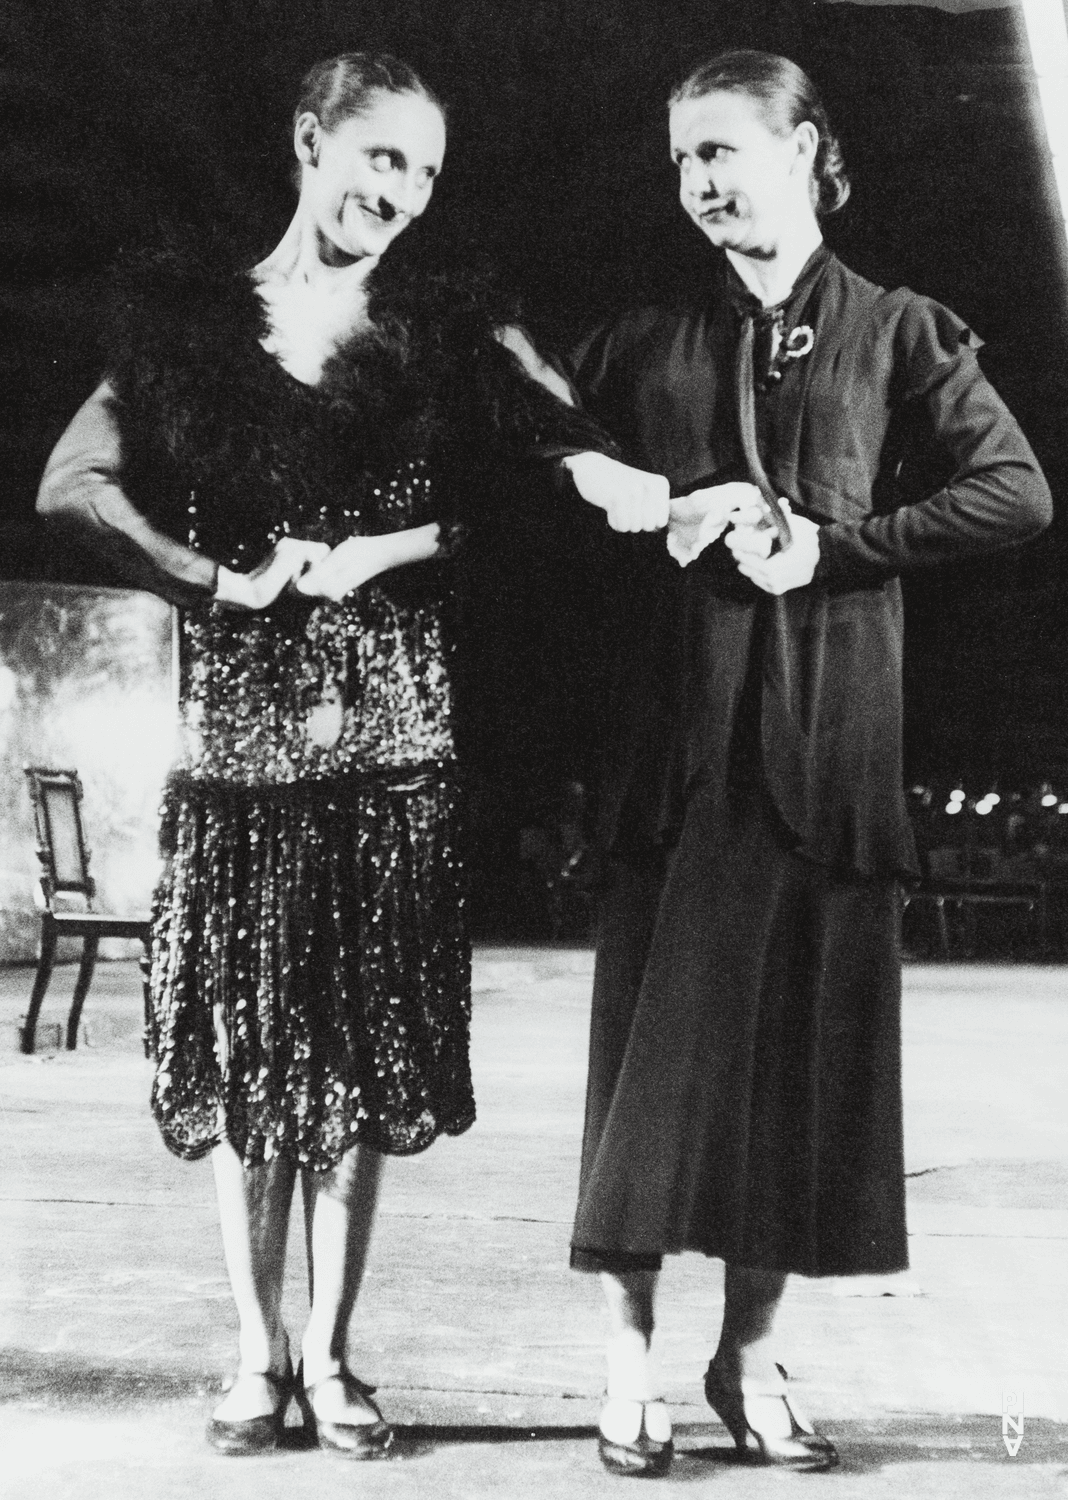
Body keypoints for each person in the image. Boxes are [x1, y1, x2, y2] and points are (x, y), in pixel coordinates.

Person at [36, 51, 670, 1458]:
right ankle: (255, 1355)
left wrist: (407, 540)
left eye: (423, 176)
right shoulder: (187, 324)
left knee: (361, 1060)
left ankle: (332, 1359)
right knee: (259, 1059)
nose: (396, 194)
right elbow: (69, 483)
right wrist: (218, 579)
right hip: (242, 751)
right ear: (312, 142)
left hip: (393, 747)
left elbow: (556, 452)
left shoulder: (449, 329)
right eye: (378, 159)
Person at [563, 49, 1052, 1477]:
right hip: (677, 754)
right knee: (643, 1078)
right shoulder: (645, 337)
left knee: (793, 1077)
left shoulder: (899, 331)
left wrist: (835, 548)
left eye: (722, 148)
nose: (698, 180)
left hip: (830, 752)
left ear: (805, 151)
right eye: (680, 160)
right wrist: (613, 485)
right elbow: (528, 439)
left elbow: (1012, 491)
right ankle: (626, 1367)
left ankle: (752, 1360)